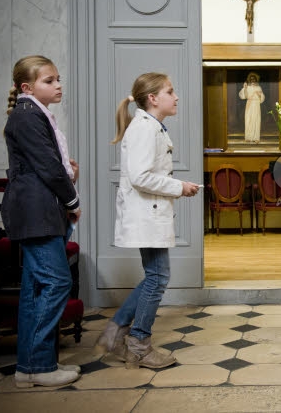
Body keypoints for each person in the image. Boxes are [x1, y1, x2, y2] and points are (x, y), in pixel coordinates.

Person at [95, 73, 200, 369]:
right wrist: (179, 187)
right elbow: (140, 177)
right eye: (170, 91)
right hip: (145, 215)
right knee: (157, 277)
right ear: (153, 98)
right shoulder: (144, 129)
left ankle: (115, 334)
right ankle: (138, 344)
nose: (176, 96)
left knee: (156, 276)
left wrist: (178, 185)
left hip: (149, 213)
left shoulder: (151, 126)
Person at [2, 55, 82, 388]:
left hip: (40, 210)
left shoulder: (33, 114)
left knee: (36, 289)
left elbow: (47, 164)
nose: (58, 84)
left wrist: (69, 172)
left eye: (58, 78)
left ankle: (28, 368)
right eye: (49, 80)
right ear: (27, 87)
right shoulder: (27, 116)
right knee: (57, 282)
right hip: (36, 212)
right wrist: (73, 198)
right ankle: (40, 366)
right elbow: (47, 167)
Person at [238, 72, 265, 143]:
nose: (252, 81)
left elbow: (262, 99)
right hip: (249, 104)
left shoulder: (259, 87)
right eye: (251, 79)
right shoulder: (248, 87)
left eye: (254, 79)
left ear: (256, 80)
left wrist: (259, 94)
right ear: (249, 80)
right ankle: (248, 137)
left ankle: (256, 138)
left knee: (256, 119)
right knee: (248, 119)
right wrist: (245, 88)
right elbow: (245, 96)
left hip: (256, 104)